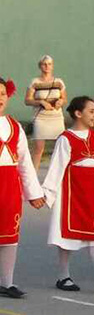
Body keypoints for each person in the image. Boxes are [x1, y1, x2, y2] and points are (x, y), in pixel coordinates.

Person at [41, 97, 94, 293]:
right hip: (71, 192)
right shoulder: (66, 139)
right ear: (78, 113)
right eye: (91, 111)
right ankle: (64, 276)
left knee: (93, 232)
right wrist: (48, 193)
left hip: (90, 191)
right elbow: (56, 167)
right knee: (67, 234)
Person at [0, 76, 46, 299]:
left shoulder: (14, 126)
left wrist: (34, 193)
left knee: (10, 234)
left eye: (2, 94)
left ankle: (7, 283)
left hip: (9, 185)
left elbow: (25, 162)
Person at [24, 54, 66, 170]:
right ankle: (33, 176)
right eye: (44, 64)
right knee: (38, 148)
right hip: (41, 118)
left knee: (59, 148)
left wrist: (60, 102)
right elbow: (27, 100)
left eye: (49, 64)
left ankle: (58, 175)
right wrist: (41, 102)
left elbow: (64, 98)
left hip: (56, 117)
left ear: (52, 66)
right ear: (40, 66)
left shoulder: (59, 82)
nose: (47, 66)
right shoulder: (34, 82)